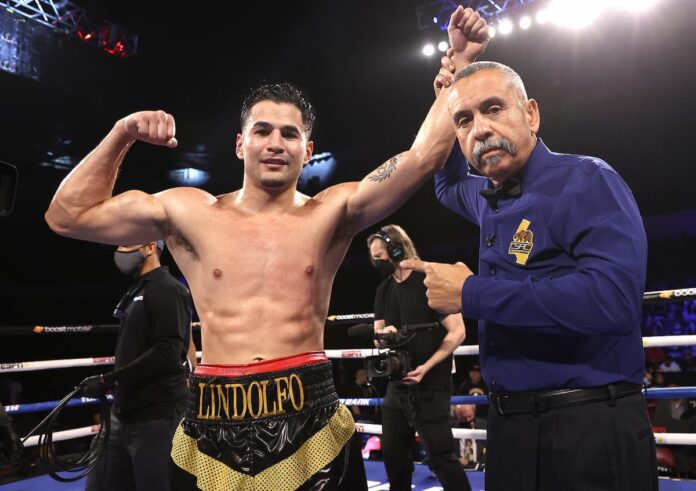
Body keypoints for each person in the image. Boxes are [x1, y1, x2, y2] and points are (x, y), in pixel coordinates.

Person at [44, 7, 489, 489]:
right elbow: (67, 215)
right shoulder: (189, 213)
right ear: (240, 144)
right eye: (263, 131)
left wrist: (460, 66)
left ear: (307, 149)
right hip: (210, 429)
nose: (275, 143)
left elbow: (424, 157)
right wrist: (122, 133)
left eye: (289, 134)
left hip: (312, 422)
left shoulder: (331, 213)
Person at [401, 51, 658, 489]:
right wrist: (446, 91)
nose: (480, 128)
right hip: (511, 430)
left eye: (493, 109)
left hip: (588, 427)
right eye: (464, 121)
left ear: (531, 114)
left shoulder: (587, 180)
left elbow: (612, 300)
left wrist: (471, 294)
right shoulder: (487, 196)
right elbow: (443, 182)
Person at [81, 240, 193, 491]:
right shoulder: (137, 291)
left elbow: (167, 352)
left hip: (155, 415)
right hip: (122, 412)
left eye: (127, 243)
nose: (120, 251)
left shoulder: (166, 289)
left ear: (151, 247)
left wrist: (108, 380)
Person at [368, 225, 470, 491]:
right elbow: (376, 335)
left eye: (380, 255)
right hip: (397, 385)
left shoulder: (429, 281)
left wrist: (427, 366)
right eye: (373, 258)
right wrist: (383, 335)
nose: (376, 262)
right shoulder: (383, 290)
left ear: (396, 249)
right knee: (395, 459)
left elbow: (458, 331)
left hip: (430, 384)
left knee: (441, 457)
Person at [451, 404, 486, 470]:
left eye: (470, 416)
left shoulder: (485, 427)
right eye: (463, 418)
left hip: (481, 469)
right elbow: (444, 451)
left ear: (474, 412)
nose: (467, 420)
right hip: (458, 470)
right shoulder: (450, 429)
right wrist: (456, 460)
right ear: (456, 416)